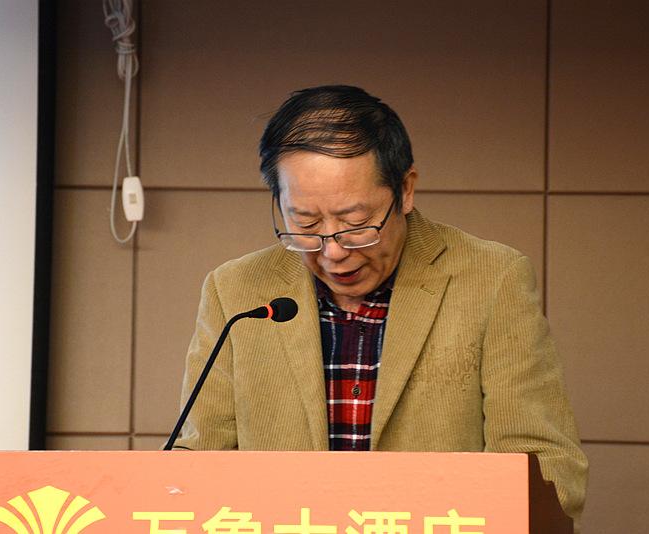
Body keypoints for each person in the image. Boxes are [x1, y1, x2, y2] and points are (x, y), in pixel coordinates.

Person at [173, 85, 588, 527]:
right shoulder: (235, 291)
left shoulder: (492, 279)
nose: (333, 251)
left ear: (405, 190)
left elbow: (544, 468)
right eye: (305, 223)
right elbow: (195, 467)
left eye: (356, 223)